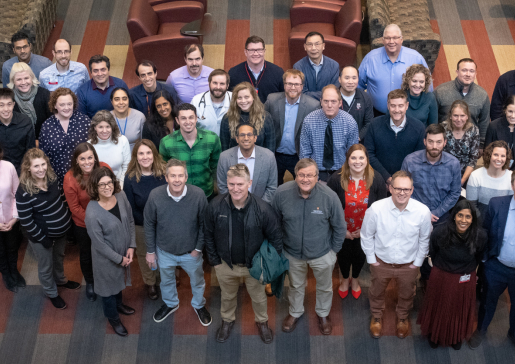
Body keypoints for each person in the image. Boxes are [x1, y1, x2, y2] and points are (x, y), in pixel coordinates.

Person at [205, 163, 283, 343]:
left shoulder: (263, 209)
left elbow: (276, 239)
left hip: (255, 267)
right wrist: (215, 261)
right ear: (226, 183)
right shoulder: (215, 206)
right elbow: (208, 234)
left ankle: (262, 322)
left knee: (259, 297)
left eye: (240, 184)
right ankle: (227, 320)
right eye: (231, 184)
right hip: (225, 265)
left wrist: (267, 264)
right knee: (227, 296)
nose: (235, 188)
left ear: (249, 183)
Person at [273, 158, 346, 335]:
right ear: (295, 175)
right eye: (302, 175)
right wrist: (281, 249)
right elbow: (275, 223)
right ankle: (295, 312)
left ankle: (323, 314)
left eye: (310, 175)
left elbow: (340, 226)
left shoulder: (329, 196)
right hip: (291, 253)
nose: (306, 179)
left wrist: (333, 251)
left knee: (324, 286)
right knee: (296, 286)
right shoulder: (281, 193)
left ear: (317, 176)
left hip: (322, 253)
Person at [361, 170, 431, 339]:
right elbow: (366, 235)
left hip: (408, 265)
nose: (402, 193)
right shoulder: (376, 209)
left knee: (407, 294)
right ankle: (376, 316)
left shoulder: (422, 211)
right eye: (398, 188)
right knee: (376, 291)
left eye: (406, 189)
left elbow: (425, 239)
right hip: (381, 262)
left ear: (412, 190)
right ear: (390, 188)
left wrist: (417, 263)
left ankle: (402, 317)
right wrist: (372, 260)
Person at [144, 159, 212, 326]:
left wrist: (198, 249)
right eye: (172, 176)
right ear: (166, 178)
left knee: (197, 281)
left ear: (186, 177)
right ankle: (170, 303)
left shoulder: (198, 195)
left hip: (191, 252)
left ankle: (199, 304)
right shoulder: (155, 196)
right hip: (164, 251)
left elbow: (205, 225)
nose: (176, 179)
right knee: (166, 281)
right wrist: (151, 251)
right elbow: (149, 223)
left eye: (180, 175)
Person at [16, 148, 80, 309]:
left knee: (59, 258)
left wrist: (67, 218)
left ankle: (61, 280)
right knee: (46, 266)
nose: (41, 169)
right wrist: (42, 238)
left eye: (43, 164)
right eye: (36, 166)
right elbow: (26, 221)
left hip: (61, 231)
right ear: (28, 168)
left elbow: (62, 199)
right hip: (41, 237)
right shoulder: (23, 191)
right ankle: (51, 292)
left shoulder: (52, 178)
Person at [418, 200, 486, 350]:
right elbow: (433, 253)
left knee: (458, 310)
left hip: (465, 277)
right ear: (454, 216)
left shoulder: (480, 236)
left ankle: (455, 336)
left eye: (468, 217)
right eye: (460, 215)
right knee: (439, 308)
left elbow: (479, 257)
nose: (463, 220)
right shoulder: (440, 232)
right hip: (441, 275)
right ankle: (434, 334)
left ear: (473, 219)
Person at [327, 144, 387, 299]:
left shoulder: (377, 179)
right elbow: (330, 208)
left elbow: (381, 209)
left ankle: (356, 280)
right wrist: (341, 231)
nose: (357, 161)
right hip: (343, 230)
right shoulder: (336, 179)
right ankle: (345, 280)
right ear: (347, 160)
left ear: (367, 160)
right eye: (353, 157)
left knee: (360, 257)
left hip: (365, 231)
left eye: (361, 157)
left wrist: (366, 231)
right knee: (344, 256)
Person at [85, 166, 136, 337]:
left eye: (110, 183)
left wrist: (131, 246)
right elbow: (99, 245)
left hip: (124, 252)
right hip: (105, 260)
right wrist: (119, 259)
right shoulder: (92, 212)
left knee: (118, 283)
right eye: (102, 185)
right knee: (107, 291)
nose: (107, 187)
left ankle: (119, 305)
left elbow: (130, 220)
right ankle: (113, 318)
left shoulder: (120, 196)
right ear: (95, 187)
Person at [469, 174, 515, 349]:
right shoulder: (497, 204)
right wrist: (485, 260)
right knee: (488, 302)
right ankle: (480, 330)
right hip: (496, 265)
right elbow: (485, 232)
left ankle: (513, 333)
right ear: (512, 185)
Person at [63, 143, 110, 301]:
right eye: (82, 159)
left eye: (90, 157)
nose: (87, 162)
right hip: (83, 224)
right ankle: (90, 282)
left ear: (95, 158)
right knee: (86, 254)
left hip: (106, 219)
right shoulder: (70, 178)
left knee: (106, 251)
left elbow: (112, 192)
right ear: (76, 161)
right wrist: (95, 220)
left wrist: (105, 218)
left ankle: (105, 278)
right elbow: (74, 208)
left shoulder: (104, 168)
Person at [123, 139, 167, 300]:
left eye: (148, 152)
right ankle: (150, 283)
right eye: (141, 153)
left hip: (163, 224)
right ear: (136, 156)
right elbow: (130, 208)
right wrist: (148, 223)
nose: (145, 157)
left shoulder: (164, 174)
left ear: (154, 155)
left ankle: (164, 279)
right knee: (145, 255)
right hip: (141, 224)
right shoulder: (130, 178)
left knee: (164, 253)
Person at [358, 24, 430, 116]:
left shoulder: (416, 58)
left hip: (407, 115)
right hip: (376, 113)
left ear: (401, 39)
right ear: (383, 40)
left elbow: (428, 88)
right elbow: (358, 85)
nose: (391, 41)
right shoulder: (370, 59)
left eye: (395, 37)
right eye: (388, 38)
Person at [265, 69, 319, 184]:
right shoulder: (272, 100)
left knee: (301, 187)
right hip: (276, 155)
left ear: (302, 86)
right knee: (273, 185)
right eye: (289, 84)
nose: (293, 87)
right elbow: (262, 124)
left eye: (296, 84)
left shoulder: (312, 106)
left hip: (298, 156)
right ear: (284, 85)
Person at [402, 123, 462, 226]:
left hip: (441, 219)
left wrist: (436, 213)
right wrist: (422, 212)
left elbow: (455, 193)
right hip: (414, 217)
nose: (434, 146)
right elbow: (403, 189)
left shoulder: (453, 163)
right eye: (430, 142)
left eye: (439, 142)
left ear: (445, 142)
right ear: (424, 141)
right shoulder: (410, 161)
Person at [159, 103, 221, 200]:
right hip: (179, 196)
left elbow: (216, 166)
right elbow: (163, 169)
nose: (188, 122)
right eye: (183, 118)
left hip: (207, 194)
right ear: (177, 120)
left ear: (196, 118)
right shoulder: (166, 142)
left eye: (191, 117)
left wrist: (216, 186)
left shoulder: (212, 139)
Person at [365, 89, 425, 186]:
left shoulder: (419, 128)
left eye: (400, 106)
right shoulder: (374, 125)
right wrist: (387, 178)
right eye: (393, 106)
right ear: (388, 106)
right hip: (379, 182)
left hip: (407, 184)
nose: (397, 110)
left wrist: (400, 181)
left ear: (407, 106)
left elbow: (419, 159)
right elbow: (369, 154)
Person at [300, 85, 359, 182]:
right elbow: (304, 154)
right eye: (326, 101)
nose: (329, 105)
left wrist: (348, 176)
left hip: (342, 173)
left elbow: (352, 154)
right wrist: (310, 176)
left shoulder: (349, 122)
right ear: (321, 101)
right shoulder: (309, 121)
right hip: (316, 173)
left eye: (333, 101)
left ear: (340, 103)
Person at [434, 58, 490, 151]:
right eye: (464, 70)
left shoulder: (482, 95)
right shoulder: (440, 91)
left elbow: (484, 122)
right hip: (443, 146)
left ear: (475, 74)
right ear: (457, 72)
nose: (468, 74)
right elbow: (433, 119)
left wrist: (481, 146)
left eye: (471, 71)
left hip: (469, 147)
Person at [39, 87, 90, 186]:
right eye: (62, 104)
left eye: (69, 104)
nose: (66, 108)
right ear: (55, 105)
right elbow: (43, 155)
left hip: (83, 178)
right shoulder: (47, 126)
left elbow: (93, 148)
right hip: (56, 179)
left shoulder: (84, 121)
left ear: (74, 104)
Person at [217, 124, 277, 203]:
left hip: (260, 207)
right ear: (237, 139)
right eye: (242, 135)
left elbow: (272, 188)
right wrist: (234, 205)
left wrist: (258, 207)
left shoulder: (269, 157)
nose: (246, 138)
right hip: (232, 206)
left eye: (249, 135)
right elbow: (222, 186)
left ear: (255, 138)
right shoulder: (224, 157)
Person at [220, 82, 276, 152]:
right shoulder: (227, 118)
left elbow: (270, 148)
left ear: (253, 97)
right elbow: (224, 148)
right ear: (235, 100)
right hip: (235, 161)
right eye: (239, 98)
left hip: (260, 160)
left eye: (246, 97)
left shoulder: (265, 117)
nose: (243, 101)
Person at [228, 35, 284, 104]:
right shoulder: (233, 73)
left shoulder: (278, 72)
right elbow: (230, 100)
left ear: (264, 51)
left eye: (259, 50)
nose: (256, 53)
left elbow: (282, 100)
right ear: (245, 52)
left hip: (269, 114)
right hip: (242, 114)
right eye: (251, 50)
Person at [466, 140, 513, 220]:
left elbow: (511, 206)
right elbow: (471, 205)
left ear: (507, 157)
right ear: (489, 155)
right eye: (495, 155)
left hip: (502, 223)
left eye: (503, 156)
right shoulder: (475, 175)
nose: (499, 159)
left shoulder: (512, 177)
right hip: (479, 222)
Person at [0, 143, 24, 292]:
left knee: (12, 247)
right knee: (0, 251)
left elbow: (17, 194)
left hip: (11, 218)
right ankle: (6, 274)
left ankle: (14, 271)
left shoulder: (8, 166)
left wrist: (15, 218)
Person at [8, 62, 51, 139]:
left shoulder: (44, 94)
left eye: (26, 78)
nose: (23, 82)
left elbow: (52, 121)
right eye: (19, 79)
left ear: (32, 78)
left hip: (44, 139)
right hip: (19, 141)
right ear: (13, 81)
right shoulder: (9, 98)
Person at [88, 110, 130, 187]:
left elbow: (126, 167)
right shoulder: (89, 145)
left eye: (108, 127)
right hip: (98, 187)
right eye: (100, 127)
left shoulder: (123, 140)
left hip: (121, 184)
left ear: (112, 127)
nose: (104, 131)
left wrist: (120, 186)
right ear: (95, 128)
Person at [293, 31, 340, 101]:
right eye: (310, 44)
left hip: (328, 105)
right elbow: (300, 93)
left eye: (317, 44)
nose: (313, 48)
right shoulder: (298, 67)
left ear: (323, 46)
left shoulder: (334, 65)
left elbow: (334, 91)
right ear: (305, 47)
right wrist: (324, 95)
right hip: (306, 106)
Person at [442, 100, 480, 186]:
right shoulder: (442, 128)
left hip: (465, 177)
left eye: (462, 115)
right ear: (450, 116)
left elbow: (473, 160)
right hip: (444, 175)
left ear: (467, 116)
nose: (459, 119)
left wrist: (461, 182)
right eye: (455, 115)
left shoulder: (473, 130)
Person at [0, 88, 36, 174]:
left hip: (23, 170)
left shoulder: (25, 121)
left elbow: (30, 150)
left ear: (13, 104)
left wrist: (23, 172)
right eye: (1, 105)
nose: (6, 109)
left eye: (9, 104)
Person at [191, 69, 232, 135]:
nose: (218, 87)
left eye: (222, 84)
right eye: (215, 83)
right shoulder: (196, 100)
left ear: (227, 86)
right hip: (204, 143)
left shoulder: (235, 99)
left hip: (228, 144)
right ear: (209, 84)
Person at [339, 66, 374, 141]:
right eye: (347, 78)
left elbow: (369, 122)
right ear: (339, 79)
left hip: (359, 143)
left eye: (354, 78)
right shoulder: (333, 97)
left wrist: (357, 137)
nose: (350, 82)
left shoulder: (365, 98)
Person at [109, 87, 145, 152]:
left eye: (124, 99)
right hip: (112, 158)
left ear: (128, 100)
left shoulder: (140, 117)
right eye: (117, 99)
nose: (121, 102)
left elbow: (144, 143)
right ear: (111, 102)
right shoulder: (106, 118)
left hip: (135, 158)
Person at [485, 95, 515, 165]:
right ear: (505, 110)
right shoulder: (493, 126)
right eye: (510, 111)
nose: (513, 116)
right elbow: (487, 154)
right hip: (496, 169)